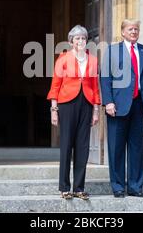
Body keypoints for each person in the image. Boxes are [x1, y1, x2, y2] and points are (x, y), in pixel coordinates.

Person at [100, 19, 143, 198]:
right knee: (116, 148)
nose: (134, 32)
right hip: (117, 107)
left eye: (136, 29)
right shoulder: (112, 51)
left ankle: (135, 187)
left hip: (140, 106)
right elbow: (105, 79)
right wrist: (108, 102)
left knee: (136, 149)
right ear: (123, 32)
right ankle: (118, 187)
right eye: (130, 29)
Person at [47, 25, 101, 200]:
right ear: (71, 41)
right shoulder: (62, 59)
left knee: (83, 147)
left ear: (86, 41)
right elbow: (55, 85)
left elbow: (95, 87)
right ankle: (64, 187)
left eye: (83, 38)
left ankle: (79, 187)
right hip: (66, 104)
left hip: (86, 103)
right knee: (67, 145)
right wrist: (54, 110)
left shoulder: (92, 60)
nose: (80, 41)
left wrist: (96, 110)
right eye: (77, 39)